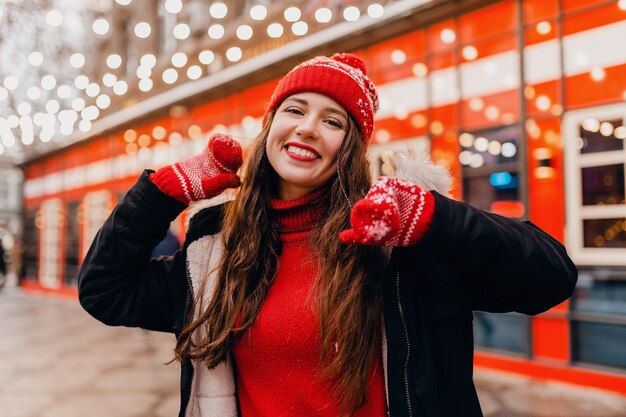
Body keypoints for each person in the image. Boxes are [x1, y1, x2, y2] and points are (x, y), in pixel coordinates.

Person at [78, 53, 577, 417]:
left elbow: (549, 278)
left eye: (332, 120)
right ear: (271, 125)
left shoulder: (398, 239)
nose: (308, 128)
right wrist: (161, 195)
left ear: (351, 148)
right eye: (294, 110)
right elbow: (105, 290)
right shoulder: (216, 250)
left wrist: (434, 219)